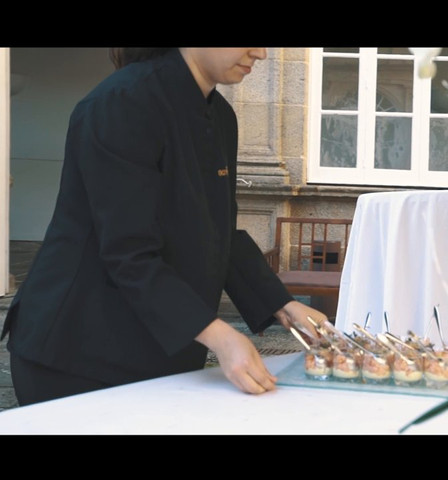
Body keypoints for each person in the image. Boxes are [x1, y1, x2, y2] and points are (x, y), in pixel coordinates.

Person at [0, 48, 325, 405]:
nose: (260, 53)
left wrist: (284, 306)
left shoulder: (221, 117)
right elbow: (128, 251)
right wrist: (221, 335)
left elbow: (218, 231)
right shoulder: (122, 103)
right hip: (77, 352)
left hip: (156, 348)